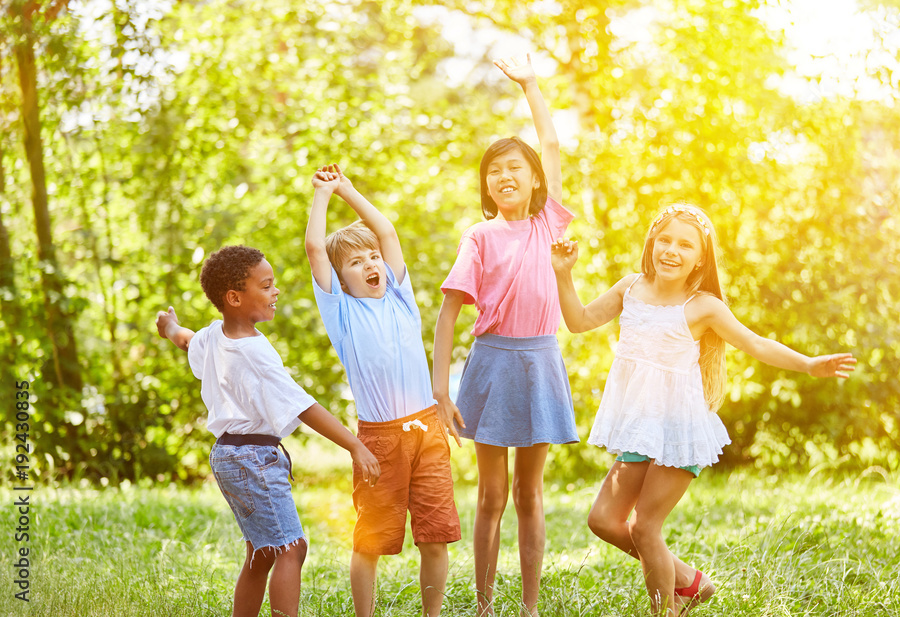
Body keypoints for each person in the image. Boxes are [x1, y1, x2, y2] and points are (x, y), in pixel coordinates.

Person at [550, 204, 857, 616]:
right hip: (641, 426)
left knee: (645, 527)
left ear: (700, 258)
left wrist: (808, 364)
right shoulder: (630, 288)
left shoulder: (703, 306)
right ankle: (690, 581)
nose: (671, 251)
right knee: (603, 520)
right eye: (665, 240)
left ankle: (666, 611)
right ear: (651, 242)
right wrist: (563, 273)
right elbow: (579, 321)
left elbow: (756, 343)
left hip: (680, 429)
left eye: (685, 245)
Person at [155, 245, 380, 617]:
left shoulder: (215, 336)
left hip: (228, 455)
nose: (276, 291)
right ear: (235, 298)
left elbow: (186, 339)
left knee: (262, 553)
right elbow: (303, 405)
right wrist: (354, 445)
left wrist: (169, 327)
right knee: (291, 548)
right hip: (253, 459)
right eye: (266, 286)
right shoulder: (253, 352)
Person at [432, 55, 576, 617]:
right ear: (486, 185)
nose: (504, 176)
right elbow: (448, 313)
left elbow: (552, 143)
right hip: (490, 365)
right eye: (494, 170)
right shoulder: (478, 236)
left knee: (529, 494)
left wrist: (531, 85)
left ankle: (530, 608)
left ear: (535, 178)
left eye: (515, 167)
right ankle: (485, 607)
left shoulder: (547, 224)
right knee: (491, 495)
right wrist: (440, 390)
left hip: (540, 363)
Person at [305, 164, 461, 617]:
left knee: (435, 536)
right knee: (370, 540)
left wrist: (348, 189)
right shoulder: (341, 313)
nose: (370, 264)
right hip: (379, 440)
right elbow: (315, 248)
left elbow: (386, 231)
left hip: (427, 432)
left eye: (372, 257)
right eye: (356, 263)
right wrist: (323, 193)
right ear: (341, 280)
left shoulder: (400, 297)